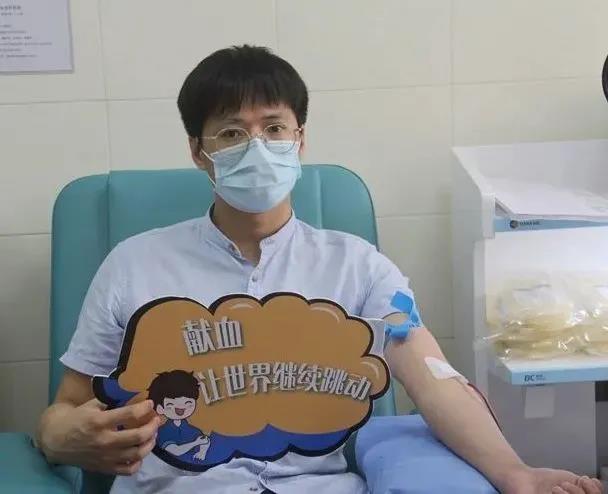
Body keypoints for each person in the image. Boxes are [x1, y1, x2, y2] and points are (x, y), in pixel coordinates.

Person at [36, 45, 602, 494]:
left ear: (299, 140)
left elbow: (435, 380)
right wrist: (64, 437)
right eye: (231, 133)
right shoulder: (134, 265)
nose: (257, 146)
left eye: (274, 128)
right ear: (198, 151)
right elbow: (65, 406)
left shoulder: (357, 267)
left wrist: (516, 473)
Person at [147, 370, 210, 463]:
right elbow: (175, 450)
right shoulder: (162, 432)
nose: (181, 407)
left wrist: (202, 452)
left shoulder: (193, 430)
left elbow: (205, 441)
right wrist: (196, 443)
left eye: (188, 403)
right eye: (171, 404)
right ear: (160, 408)